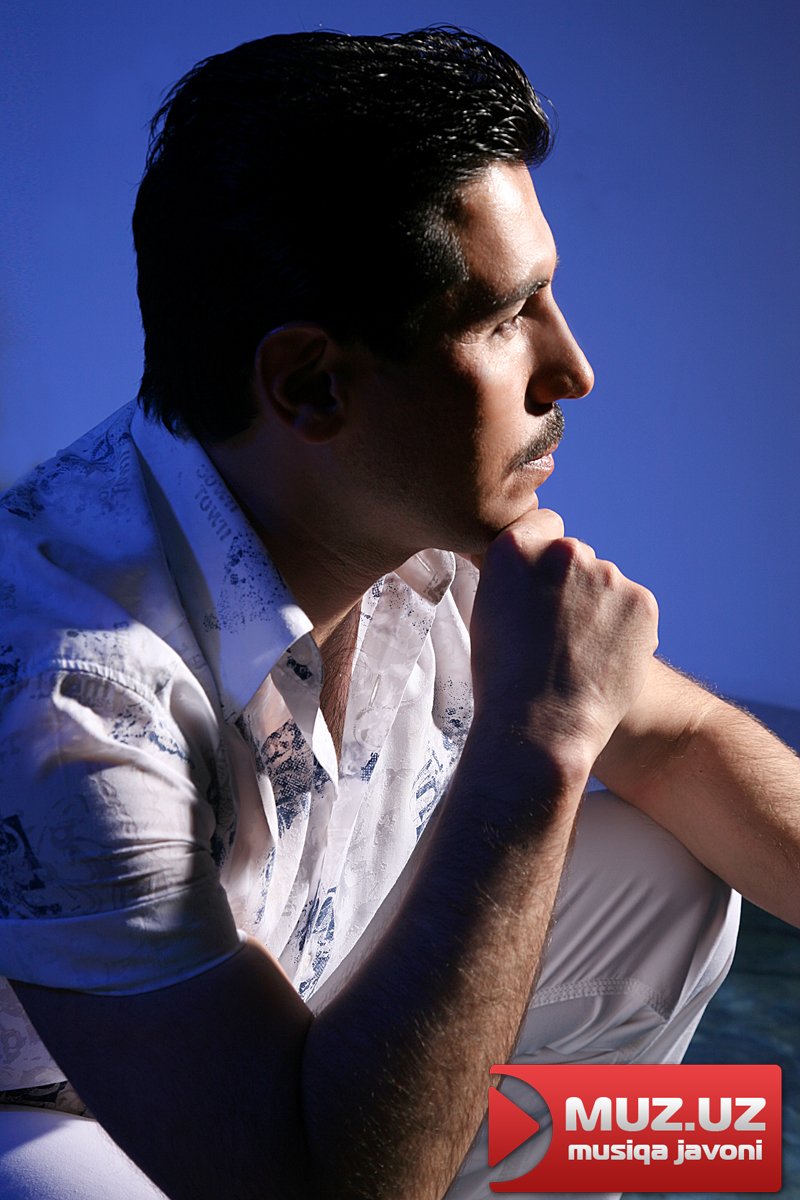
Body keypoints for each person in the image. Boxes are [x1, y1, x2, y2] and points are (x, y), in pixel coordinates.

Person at [0, 26, 797, 1200]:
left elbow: (681, 743)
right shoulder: (71, 694)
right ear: (311, 384)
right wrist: (535, 744)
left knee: (669, 889)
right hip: (45, 1113)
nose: (571, 369)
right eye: (504, 317)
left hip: (281, 1035)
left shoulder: (402, 523)